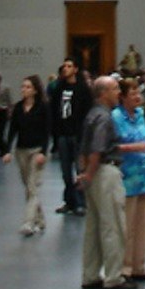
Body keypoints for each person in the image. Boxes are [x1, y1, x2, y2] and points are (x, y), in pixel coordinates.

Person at [76, 75, 135, 289]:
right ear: (103, 93)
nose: (119, 92)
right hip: (105, 173)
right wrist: (90, 174)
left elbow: (83, 148)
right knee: (113, 226)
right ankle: (113, 276)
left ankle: (90, 274)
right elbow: (97, 149)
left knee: (93, 228)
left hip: (92, 174)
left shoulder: (92, 115)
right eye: (115, 88)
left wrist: (83, 173)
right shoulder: (104, 118)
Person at [112, 75, 145, 281]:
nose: (138, 96)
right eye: (133, 93)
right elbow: (111, 147)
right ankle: (125, 266)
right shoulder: (116, 117)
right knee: (127, 225)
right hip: (126, 176)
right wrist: (134, 147)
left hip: (143, 176)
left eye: (138, 92)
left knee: (142, 223)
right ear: (122, 97)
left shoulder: (140, 114)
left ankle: (140, 265)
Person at [3, 74, 50, 235]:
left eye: (28, 87)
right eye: (23, 86)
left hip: (37, 151)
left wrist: (43, 152)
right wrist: (8, 150)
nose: (24, 89)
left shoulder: (43, 107)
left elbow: (47, 131)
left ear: (35, 90)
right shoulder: (18, 108)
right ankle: (40, 219)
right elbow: (12, 130)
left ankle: (28, 222)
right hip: (21, 151)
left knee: (32, 186)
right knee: (29, 188)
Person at [51, 58, 91, 215]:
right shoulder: (59, 88)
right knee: (65, 171)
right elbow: (54, 109)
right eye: (64, 66)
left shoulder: (83, 89)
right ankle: (69, 201)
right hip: (63, 134)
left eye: (69, 66)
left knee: (80, 170)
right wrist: (55, 132)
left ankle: (81, 202)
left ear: (75, 69)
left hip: (77, 135)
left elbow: (87, 112)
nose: (65, 69)